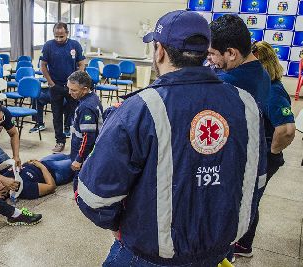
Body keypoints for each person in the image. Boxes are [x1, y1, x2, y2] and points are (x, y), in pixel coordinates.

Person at [75, 10, 267, 267]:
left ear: (160, 50)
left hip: (149, 253)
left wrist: (121, 226)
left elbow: (94, 197)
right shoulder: (246, 105)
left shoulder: (139, 109)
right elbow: (256, 179)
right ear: (205, 51)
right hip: (217, 251)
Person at [209, 16, 295, 259]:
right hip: (254, 159)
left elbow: (287, 129)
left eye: (214, 54)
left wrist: (271, 153)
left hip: (248, 161)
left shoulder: (229, 82)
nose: (211, 60)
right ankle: (236, 249)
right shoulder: (259, 73)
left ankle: (231, 252)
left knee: (235, 211)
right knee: (248, 204)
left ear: (232, 53)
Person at [42, 70, 103, 187]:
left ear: (85, 89)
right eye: (68, 88)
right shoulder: (90, 97)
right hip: (79, 152)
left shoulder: (86, 107)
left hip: (84, 155)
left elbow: (88, 138)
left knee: (78, 183)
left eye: (74, 90)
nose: (69, 93)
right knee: (48, 160)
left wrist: (79, 159)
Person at [40, 22, 86, 153]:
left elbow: (81, 64)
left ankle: (78, 140)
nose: (59, 39)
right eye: (56, 36)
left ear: (67, 33)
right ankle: (60, 141)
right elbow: (43, 66)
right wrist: (51, 83)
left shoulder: (75, 45)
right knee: (57, 115)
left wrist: (77, 81)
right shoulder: (48, 45)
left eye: (61, 36)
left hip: (72, 87)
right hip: (56, 86)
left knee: (76, 113)